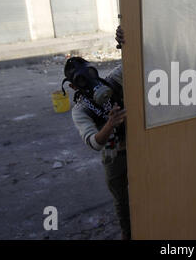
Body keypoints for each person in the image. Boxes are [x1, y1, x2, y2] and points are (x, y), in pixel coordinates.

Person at [62, 27, 130, 240]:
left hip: (139, 147)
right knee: (123, 202)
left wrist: (125, 40)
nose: (89, 81)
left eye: (90, 74)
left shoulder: (112, 81)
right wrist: (109, 125)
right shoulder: (81, 109)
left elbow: (135, 61)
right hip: (114, 155)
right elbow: (94, 142)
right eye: (82, 80)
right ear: (73, 86)